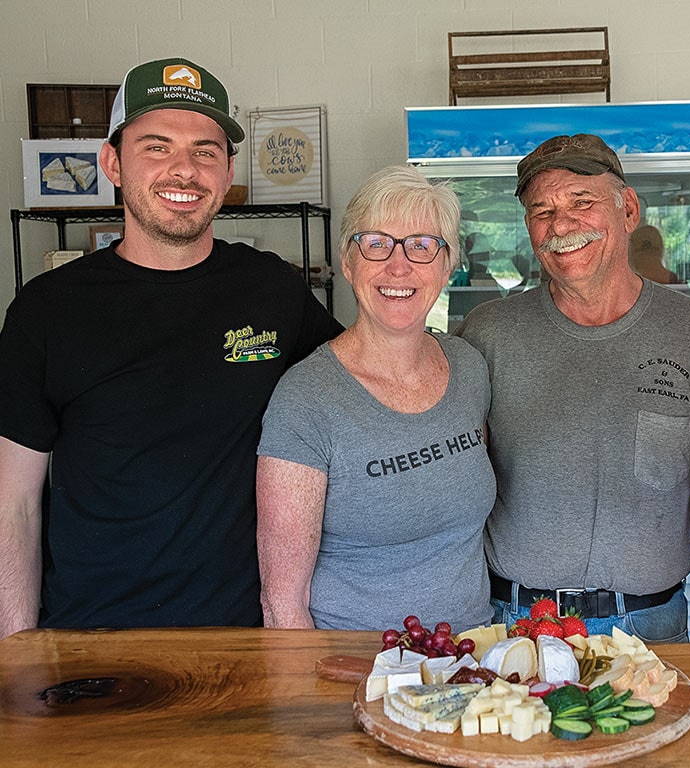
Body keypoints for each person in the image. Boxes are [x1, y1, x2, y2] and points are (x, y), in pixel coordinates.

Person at [0, 58, 342, 639]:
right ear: (111, 161)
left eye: (206, 151)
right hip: (94, 639)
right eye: (156, 147)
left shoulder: (271, 288)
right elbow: (15, 505)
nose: (184, 170)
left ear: (228, 168)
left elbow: (362, 381)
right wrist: (15, 653)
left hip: (247, 636)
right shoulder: (47, 309)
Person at [456, 134, 690, 640]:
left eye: (582, 202)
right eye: (542, 211)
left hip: (653, 627)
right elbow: (455, 481)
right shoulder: (487, 333)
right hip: (515, 624)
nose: (561, 226)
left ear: (628, 210)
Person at [256, 166, 495, 632]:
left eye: (422, 246)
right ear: (348, 262)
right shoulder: (306, 399)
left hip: (474, 662)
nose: (399, 266)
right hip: (357, 672)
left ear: (447, 267)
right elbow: (282, 604)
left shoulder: (469, 368)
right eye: (376, 243)